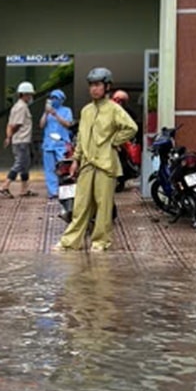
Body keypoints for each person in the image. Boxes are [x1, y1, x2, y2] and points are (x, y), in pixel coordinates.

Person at [56, 67, 137, 253]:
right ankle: (71, 241)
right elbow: (82, 137)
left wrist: (113, 141)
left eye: (98, 85)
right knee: (81, 205)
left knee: (103, 205)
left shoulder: (114, 109)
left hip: (106, 164)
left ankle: (100, 241)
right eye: (91, 85)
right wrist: (75, 160)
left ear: (107, 86)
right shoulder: (86, 111)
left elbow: (131, 128)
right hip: (86, 164)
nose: (94, 89)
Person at [0, 81, 37, 197]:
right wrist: (10, 136)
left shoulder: (18, 106)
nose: (31, 97)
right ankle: (4, 185)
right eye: (29, 94)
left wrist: (9, 137)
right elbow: (16, 125)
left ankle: (24, 189)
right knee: (20, 163)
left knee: (25, 164)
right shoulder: (21, 107)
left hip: (21, 140)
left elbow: (9, 125)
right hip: (21, 140)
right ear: (24, 94)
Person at [40, 88, 75, 200]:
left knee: (64, 168)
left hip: (61, 144)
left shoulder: (66, 110)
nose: (53, 100)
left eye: (56, 98)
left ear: (61, 100)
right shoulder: (47, 112)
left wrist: (56, 115)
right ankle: (53, 192)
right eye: (52, 98)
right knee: (50, 169)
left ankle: (65, 190)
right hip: (48, 144)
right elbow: (41, 125)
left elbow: (68, 124)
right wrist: (46, 113)